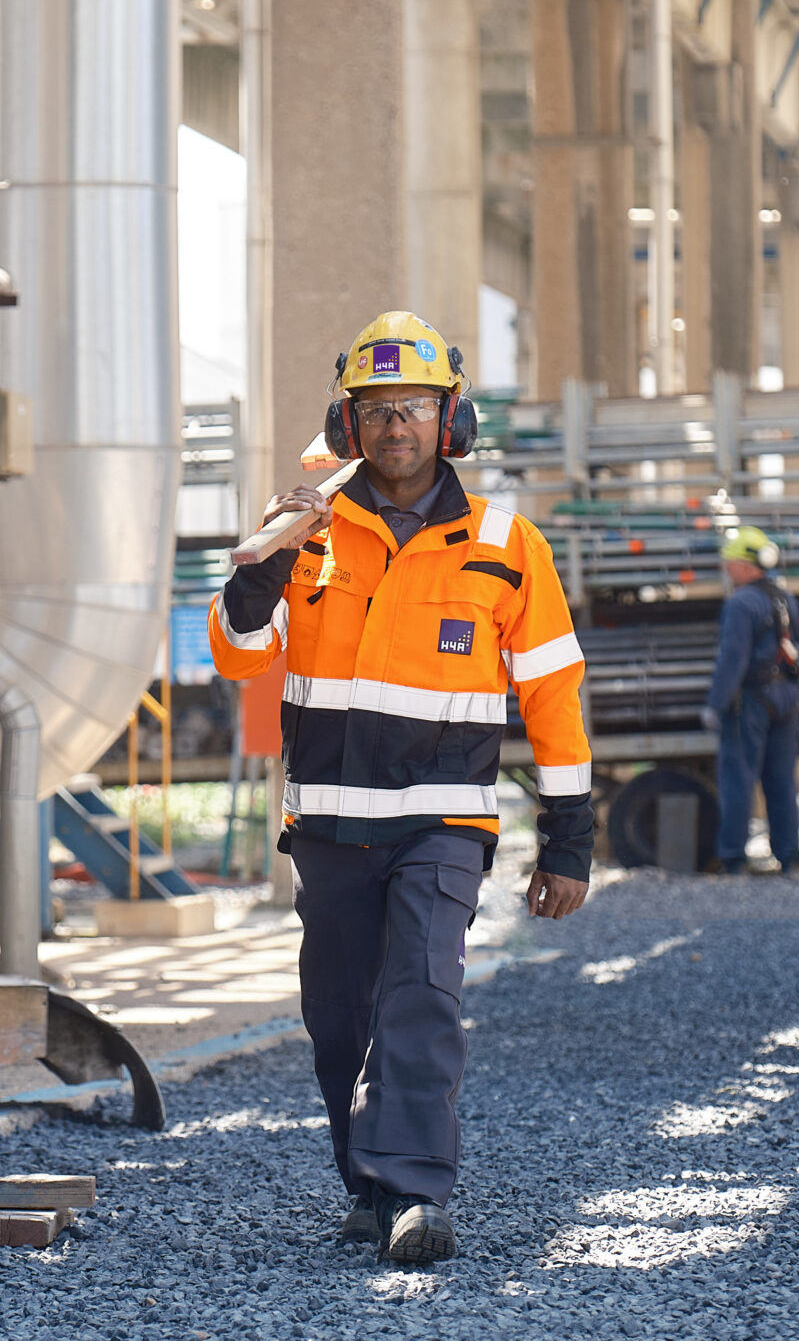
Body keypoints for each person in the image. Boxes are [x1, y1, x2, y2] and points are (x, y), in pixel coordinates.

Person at [208, 311, 595, 1266]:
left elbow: (553, 695)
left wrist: (570, 840)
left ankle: (419, 1193)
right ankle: (370, 1188)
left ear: (449, 417)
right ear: (349, 424)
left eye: (414, 406)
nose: (395, 427)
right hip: (331, 827)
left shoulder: (509, 545)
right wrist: (263, 568)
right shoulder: (305, 531)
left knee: (421, 990)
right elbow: (236, 657)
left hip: (443, 821)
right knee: (338, 1019)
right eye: (375, 410)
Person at [698, 525, 799, 875]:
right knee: (782, 780)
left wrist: (715, 704)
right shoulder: (785, 599)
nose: (727, 568)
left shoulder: (740, 603)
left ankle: (733, 859)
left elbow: (732, 658)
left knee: (738, 779)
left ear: (746, 566)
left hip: (751, 703)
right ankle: (789, 858)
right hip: (786, 701)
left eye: (730, 562)